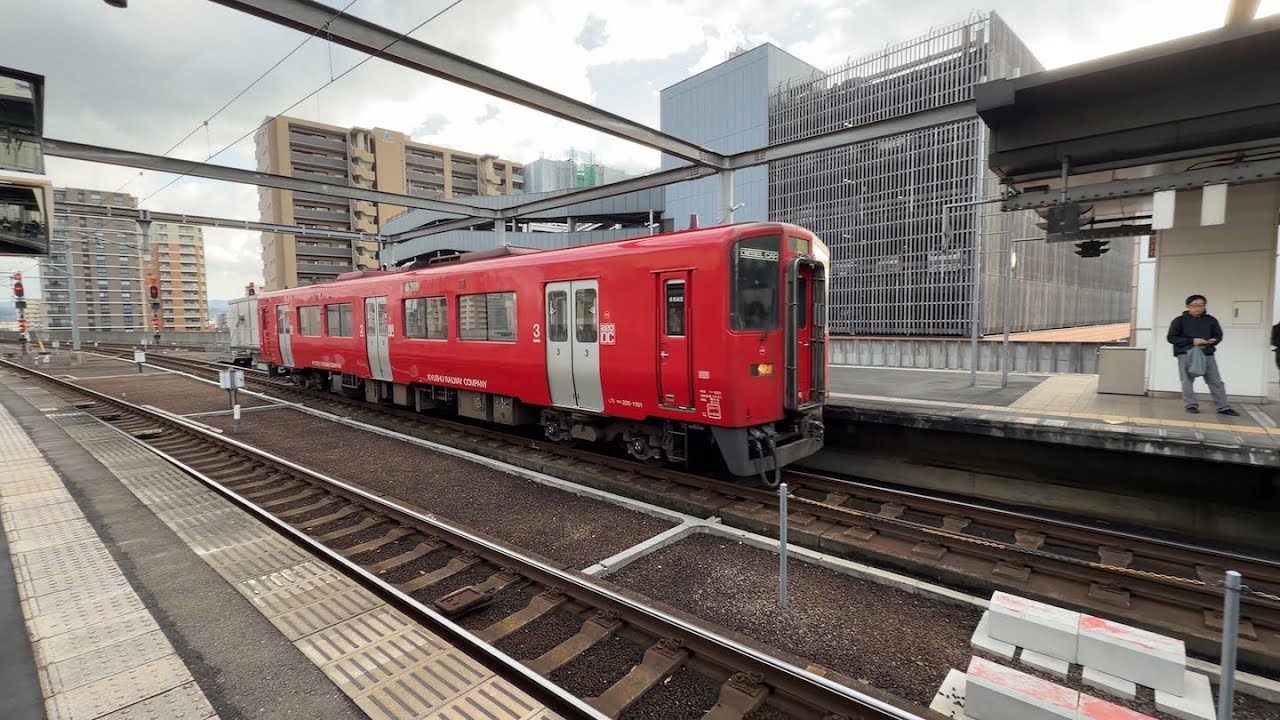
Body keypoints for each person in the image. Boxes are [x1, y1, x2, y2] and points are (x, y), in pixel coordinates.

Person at [1167, 294, 1238, 416]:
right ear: (1188, 306)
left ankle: (1223, 406)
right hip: (1186, 354)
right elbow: (1171, 338)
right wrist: (1192, 341)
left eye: (1201, 305)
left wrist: (1213, 341)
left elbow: (1218, 335)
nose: (1198, 308)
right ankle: (1191, 405)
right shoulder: (1179, 320)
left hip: (1207, 353)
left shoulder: (1211, 320)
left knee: (1215, 380)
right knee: (1187, 381)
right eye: (1195, 305)